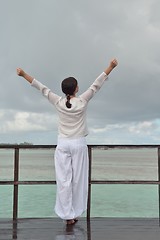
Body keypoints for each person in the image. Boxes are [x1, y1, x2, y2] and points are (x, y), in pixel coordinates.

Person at [16, 58, 118, 225]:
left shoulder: (58, 101)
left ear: (64, 90)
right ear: (76, 88)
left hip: (63, 144)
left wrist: (23, 74)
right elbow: (96, 84)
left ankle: (67, 215)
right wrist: (111, 67)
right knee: (78, 180)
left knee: (64, 181)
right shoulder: (82, 100)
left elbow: (41, 88)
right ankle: (75, 213)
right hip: (78, 144)